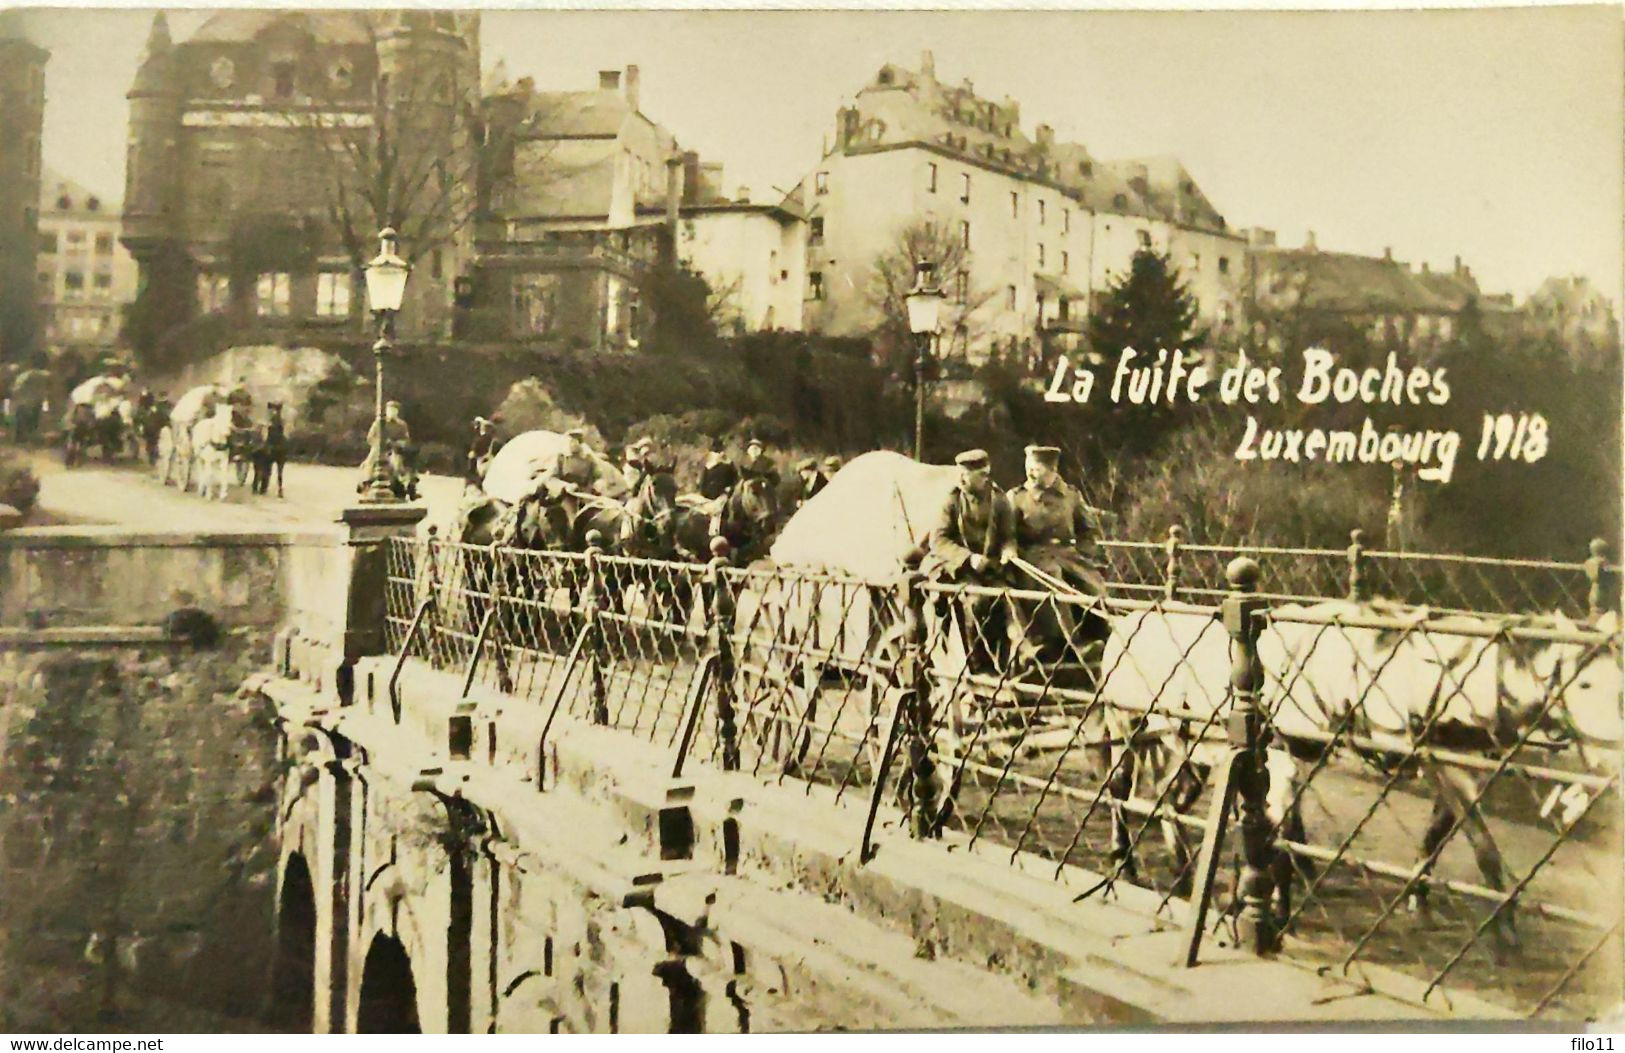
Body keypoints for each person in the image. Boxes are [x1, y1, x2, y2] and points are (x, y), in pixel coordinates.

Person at [1008, 445, 1110, 665]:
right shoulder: (1017, 498)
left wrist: (1085, 553)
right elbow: (1007, 534)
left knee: (1093, 582)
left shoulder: (1070, 496)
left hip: (1067, 554)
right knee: (1055, 580)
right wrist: (1013, 551)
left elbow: (1088, 530)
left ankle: (1104, 635)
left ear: (1052, 470)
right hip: (1034, 558)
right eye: (1028, 468)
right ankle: (1075, 645)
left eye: (1036, 469)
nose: (1030, 473)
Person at [919, 449, 1018, 669]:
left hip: (992, 569)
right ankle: (977, 666)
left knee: (1010, 600)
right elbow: (939, 540)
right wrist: (968, 558)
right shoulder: (951, 501)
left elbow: (1009, 536)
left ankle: (1012, 658)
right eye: (978, 474)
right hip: (961, 571)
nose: (985, 478)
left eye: (984, 474)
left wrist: (1009, 550)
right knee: (977, 602)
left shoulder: (999, 501)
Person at [539, 427, 615, 497]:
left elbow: (598, 475)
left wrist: (599, 483)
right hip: (565, 495)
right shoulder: (562, 459)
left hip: (586, 495)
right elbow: (551, 479)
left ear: (580, 444)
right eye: (571, 441)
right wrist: (565, 486)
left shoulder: (588, 458)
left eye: (576, 441)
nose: (573, 444)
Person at [359, 400, 412, 491]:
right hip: (379, 448)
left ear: (397, 412)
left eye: (394, 410)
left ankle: (402, 484)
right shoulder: (379, 423)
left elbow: (406, 440)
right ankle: (366, 480)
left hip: (393, 449)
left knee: (397, 463)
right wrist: (379, 443)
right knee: (371, 459)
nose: (391, 412)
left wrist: (395, 443)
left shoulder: (401, 425)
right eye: (389, 410)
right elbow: (370, 438)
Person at [466, 416, 501, 485]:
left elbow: (474, 452)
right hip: (489, 461)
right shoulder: (494, 440)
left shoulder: (481, 439)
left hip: (483, 461)